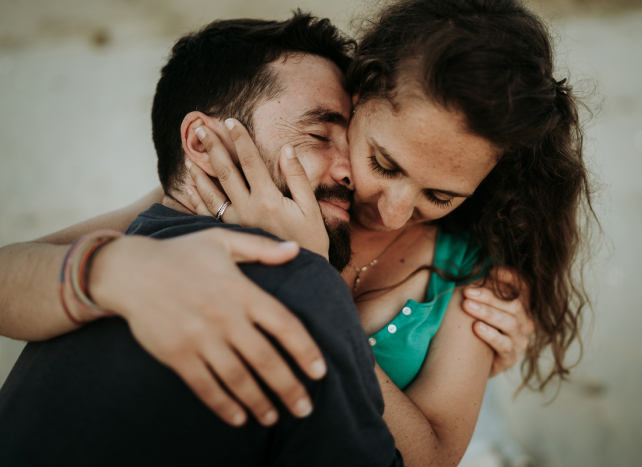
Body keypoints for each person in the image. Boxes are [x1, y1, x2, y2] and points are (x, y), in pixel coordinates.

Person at [0, 0, 596, 465]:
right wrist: (110, 271)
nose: (392, 211)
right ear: (358, 98)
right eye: (382, 164)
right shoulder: (243, 193)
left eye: (440, 196)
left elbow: (431, 456)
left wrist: (314, 277)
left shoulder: (478, 273)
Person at [0, 15, 404, 467]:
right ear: (201, 141)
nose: (351, 173)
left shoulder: (102, 262)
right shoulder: (299, 285)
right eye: (317, 135)